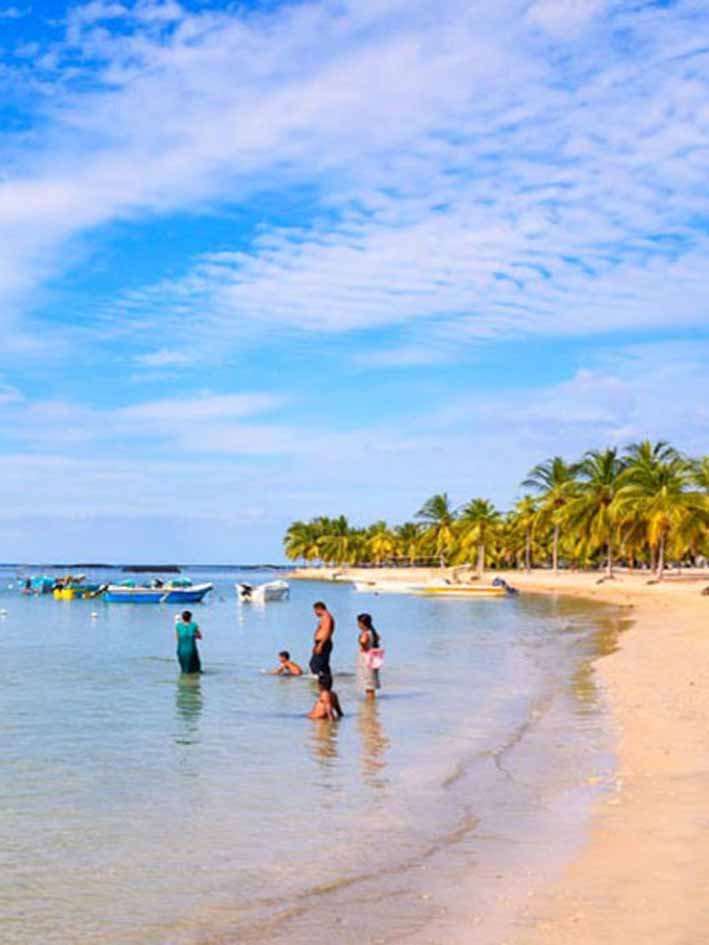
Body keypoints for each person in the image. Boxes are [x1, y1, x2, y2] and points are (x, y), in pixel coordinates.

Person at [356, 613, 382, 700]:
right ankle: (371, 703)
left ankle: (370, 705)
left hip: (366, 660)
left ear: (362, 623)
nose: (358, 624)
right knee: (371, 684)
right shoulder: (372, 632)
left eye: (358, 622)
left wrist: (364, 646)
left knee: (368, 685)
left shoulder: (365, 633)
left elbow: (363, 641)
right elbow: (378, 638)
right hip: (373, 657)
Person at [309, 601, 335, 685]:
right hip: (321, 642)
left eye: (315, 611)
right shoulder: (324, 617)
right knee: (324, 665)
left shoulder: (327, 617)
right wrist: (316, 644)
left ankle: (321, 681)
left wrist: (321, 644)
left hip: (324, 643)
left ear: (319, 609)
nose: (315, 613)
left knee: (314, 665)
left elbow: (327, 632)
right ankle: (326, 682)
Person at [175, 610, 202, 674]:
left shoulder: (178, 626)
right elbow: (200, 636)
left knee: (184, 670)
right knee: (196, 670)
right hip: (191, 650)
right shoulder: (194, 625)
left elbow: (177, 639)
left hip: (181, 651)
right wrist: (193, 635)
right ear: (190, 617)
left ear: (182, 618)